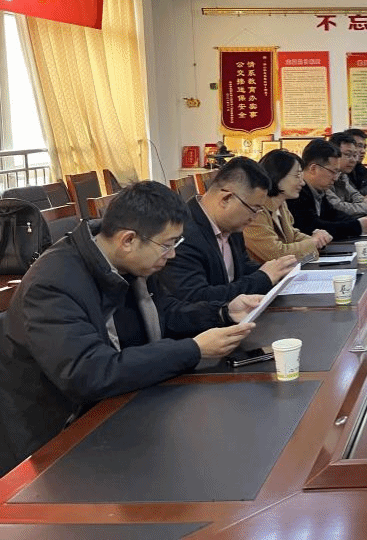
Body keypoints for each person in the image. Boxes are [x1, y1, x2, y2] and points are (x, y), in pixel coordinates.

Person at [0, 182, 261, 475]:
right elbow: (91, 372)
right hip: (58, 439)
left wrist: (222, 312)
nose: (172, 255)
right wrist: (194, 349)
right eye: (167, 245)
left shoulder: (130, 261)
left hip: (122, 402)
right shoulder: (52, 284)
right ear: (128, 240)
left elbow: (165, 313)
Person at [160, 157, 297, 303]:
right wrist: (263, 278)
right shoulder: (182, 234)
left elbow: (243, 268)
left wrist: (277, 271)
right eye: (254, 209)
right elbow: (197, 298)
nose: (255, 217)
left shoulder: (231, 225)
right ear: (226, 199)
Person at [243, 149, 333, 262]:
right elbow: (276, 253)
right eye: (297, 176)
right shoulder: (255, 210)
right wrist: (313, 242)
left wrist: (319, 239)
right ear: (277, 175)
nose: (302, 183)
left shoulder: (281, 204)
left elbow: (292, 235)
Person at [286, 139, 367, 240]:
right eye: (333, 172)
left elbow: (333, 214)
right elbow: (312, 227)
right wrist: (358, 226)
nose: (335, 178)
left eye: (337, 173)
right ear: (313, 169)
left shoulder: (317, 189)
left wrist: (359, 221)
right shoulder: (296, 193)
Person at [328, 132, 367, 217]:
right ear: (334, 154)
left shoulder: (342, 174)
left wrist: (366, 201)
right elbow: (336, 207)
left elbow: (354, 195)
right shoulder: (325, 175)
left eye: (355, 155)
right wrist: (366, 206)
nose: (353, 160)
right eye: (347, 155)